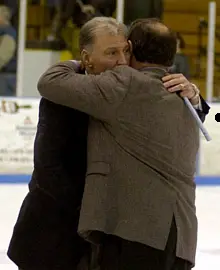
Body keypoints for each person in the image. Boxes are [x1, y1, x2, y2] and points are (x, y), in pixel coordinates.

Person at [8, 17, 209, 270]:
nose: (122, 61)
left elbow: (169, 119)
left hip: (109, 235)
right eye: (111, 52)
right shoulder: (64, 95)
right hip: (56, 237)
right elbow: (51, 172)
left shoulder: (139, 88)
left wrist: (194, 95)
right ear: (86, 57)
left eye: (126, 51)